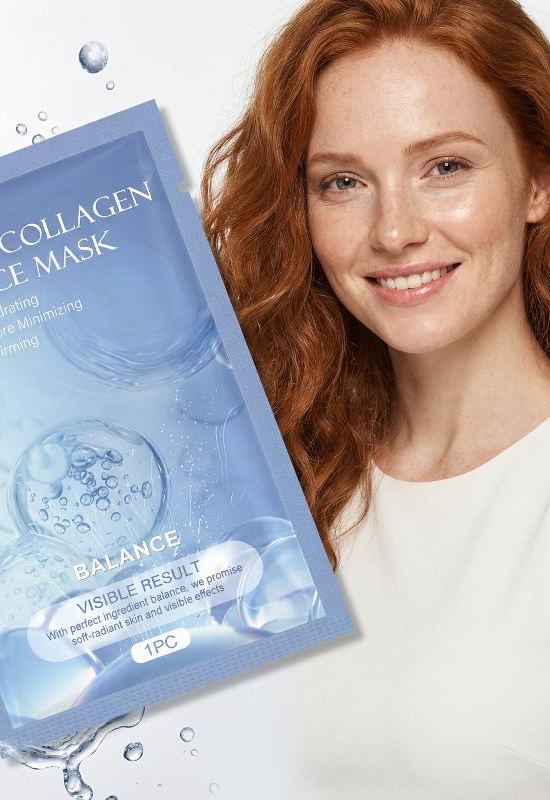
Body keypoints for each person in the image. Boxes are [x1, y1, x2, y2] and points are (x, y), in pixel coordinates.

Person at [201, 0, 550, 796]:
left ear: (537, 180)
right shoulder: (284, 483)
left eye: (446, 167)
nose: (394, 231)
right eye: (344, 182)